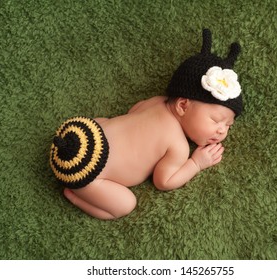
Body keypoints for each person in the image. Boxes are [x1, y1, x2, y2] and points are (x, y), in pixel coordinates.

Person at [50, 29, 243, 220]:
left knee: (106, 123)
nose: (222, 130)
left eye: (228, 125)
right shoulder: (178, 146)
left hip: (82, 135)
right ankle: (76, 196)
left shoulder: (156, 102)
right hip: (86, 173)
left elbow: (134, 110)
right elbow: (164, 181)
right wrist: (195, 163)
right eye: (216, 120)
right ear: (183, 105)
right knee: (125, 205)